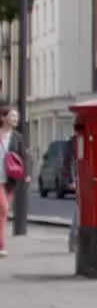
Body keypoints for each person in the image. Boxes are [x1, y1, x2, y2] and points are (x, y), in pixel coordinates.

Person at [0, 106, 28, 257]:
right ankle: (1, 245)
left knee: (2, 213)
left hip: (9, 179)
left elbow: (23, 157)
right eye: (12, 116)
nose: (15, 119)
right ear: (3, 118)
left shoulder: (18, 137)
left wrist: (26, 174)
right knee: (3, 209)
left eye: (16, 117)